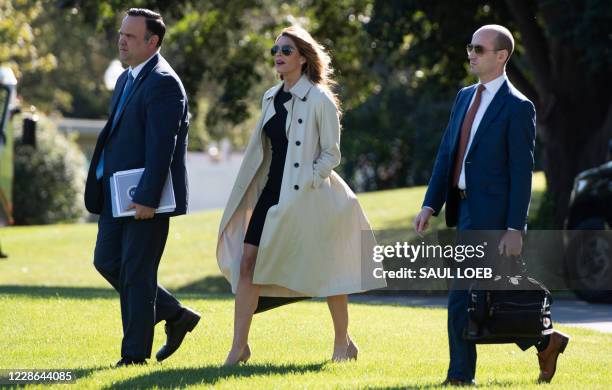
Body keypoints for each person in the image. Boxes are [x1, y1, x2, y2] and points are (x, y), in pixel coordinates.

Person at [216, 25, 386, 366]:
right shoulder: (270, 97)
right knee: (248, 263)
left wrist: (308, 178)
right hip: (270, 193)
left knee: (328, 267)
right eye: (275, 50)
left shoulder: (320, 100)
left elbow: (332, 154)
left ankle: (343, 342)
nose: (278, 55)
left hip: (311, 197)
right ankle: (239, 348)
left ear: (304, 59)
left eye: (286, 50)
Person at [413, 25, 570, 385]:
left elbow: (521, 172)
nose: (472, 53)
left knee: (461, 296)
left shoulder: (518, 107)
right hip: (462, 209)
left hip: (493, 218)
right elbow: (447, 155)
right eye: (470, 46)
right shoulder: (464, 97)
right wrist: (429, 204)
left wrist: (515, 227)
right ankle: (546, 342)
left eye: (480, 49)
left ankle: (459, 376)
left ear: (501, 56)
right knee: (487, 296)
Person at [84, 8, 200, 367]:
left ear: (153, 42)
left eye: (131, 36)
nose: (121, 40)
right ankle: (175, 315)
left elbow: (161, 147)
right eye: (121, 33)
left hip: (144, 200)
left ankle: (134, 358)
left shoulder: (164, 82)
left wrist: (149, 198)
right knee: (106, 261)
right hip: (115, 197)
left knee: (136, 273)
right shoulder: (126, 78)